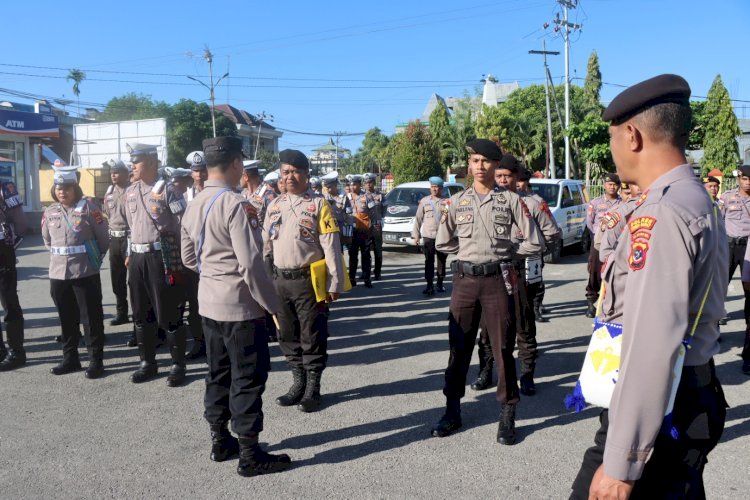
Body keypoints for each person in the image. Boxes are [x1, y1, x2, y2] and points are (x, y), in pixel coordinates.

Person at [570, 74, 728, 499]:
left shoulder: (660, 213)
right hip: (689, 392)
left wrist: (621, 463)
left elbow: (652, 343)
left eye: (612, 138)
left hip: (663, 407)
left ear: (632, 135)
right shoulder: (696, 198)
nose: (613, 150)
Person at [181, 136, 290, 477]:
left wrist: (213, 274)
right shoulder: (235, 204)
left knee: (218, 373)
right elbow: (251, 264)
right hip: (241, 309)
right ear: (236, 164)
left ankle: (219, 440)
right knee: (247, 377)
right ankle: (249, 454)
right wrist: (273, 306)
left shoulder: (194, 202)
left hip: (208, 306)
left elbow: (187, 257)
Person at [433, 139, 543, 445]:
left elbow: (535, 242)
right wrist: (467, 253)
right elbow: (443, 242)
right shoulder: (456, 202)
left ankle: (507, 415)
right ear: (469, 165)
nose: (479, 166)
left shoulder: (511, 201)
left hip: (497, 281)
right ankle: (451, 411)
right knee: (458, 349)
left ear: (496, 166)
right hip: (465, 283)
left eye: (485, 161)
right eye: (475, 161)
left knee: (503, 350)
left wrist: (507, 250)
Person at [263, 149, 345, 413]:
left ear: (307, 175)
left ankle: (313, 389)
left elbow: (331, 244)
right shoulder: (274, 205)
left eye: (296, 171)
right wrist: (264, 281)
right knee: (286, 333)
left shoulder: (319, 205)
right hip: (280, 280)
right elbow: (266, 246)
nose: (290, 177)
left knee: (312, 333)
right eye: (285, 172)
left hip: (309, 281)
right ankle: (297, 382)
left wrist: (335, 282)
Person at [471, 156, 560, 397]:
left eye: (506, 176)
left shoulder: (532, 203)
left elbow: (552, 235)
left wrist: (528, 253)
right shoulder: (488, 201)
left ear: (516, 177)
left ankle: (527, 374)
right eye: (498, 176)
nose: (501, 180)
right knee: (487, 327)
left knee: (523, 323)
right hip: (492, 272)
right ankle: (486, 371)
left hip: (520, 271)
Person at [124, 143, 188, 387]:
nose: (132, 165)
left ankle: (177, 364)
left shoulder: (168, 190)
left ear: (151, 162)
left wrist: (182, 257)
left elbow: (183, 224)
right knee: (141, 312)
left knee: (169, 311)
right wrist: (130, 252)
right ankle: (147, 363)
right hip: (138, 258)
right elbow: (132, 227)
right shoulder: (130, 192)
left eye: (137, 161)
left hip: (161, 257)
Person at [42, 165, 109, 378]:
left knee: (91, 319)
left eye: (67, 187)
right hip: (58, 274)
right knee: (66, 318)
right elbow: (47, 241)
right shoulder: (50, 211)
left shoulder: (89, 207)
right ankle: (70, 359)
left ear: (75, 188)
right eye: (59, 187)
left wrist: (92, 260)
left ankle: (95, 361)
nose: (62, 191)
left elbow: (103, 239)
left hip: (84, 272)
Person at [242, 159, 279, 342]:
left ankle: (274, 327)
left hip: (266, 250)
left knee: (269, 288)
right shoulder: (242, 194)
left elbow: (276, 223)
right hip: (249, 249)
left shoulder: (268, 194)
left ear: (246, 175)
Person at [516, 168, 558, 322]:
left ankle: (536, 308)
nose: (517, 184)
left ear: (527, 182)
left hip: (533, 249)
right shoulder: (509, 198)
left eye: (520, 180)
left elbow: (550, 229)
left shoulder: (536, 201)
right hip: (515, 249)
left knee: (535, 282)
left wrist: (544, 248)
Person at [584, 173, 622, 318]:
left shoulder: (622, 203)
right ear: (604, 185)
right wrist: (598, 236)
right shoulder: (595, 203)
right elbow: (589, 222)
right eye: (609, 184)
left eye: (615, 184)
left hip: (617, 242)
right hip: (599, 241)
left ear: (618, 186)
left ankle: (612, 303)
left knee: (615, 271)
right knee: (595, 271)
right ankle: (591, 302)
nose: (612, 187)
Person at [0, 176, 28, 371]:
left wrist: (10, 245)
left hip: (2, 249)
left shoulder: (5, 186)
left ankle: (16, 352)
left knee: (9, 301)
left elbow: (20, 222)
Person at [718, 167, 750, 329]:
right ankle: (718, 314)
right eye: (745, 179)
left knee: (749, 285)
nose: (748, 183)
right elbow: (719, 221)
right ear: (739, 179)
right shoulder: (727, 196)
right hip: (729, 245)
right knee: (722, 282)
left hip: (748, 247)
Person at [102, 159, 131, 329]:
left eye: (117, 172)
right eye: (112, 172)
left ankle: (139, 312)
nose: (113, 175)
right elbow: (107, 213)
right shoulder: (109, 192)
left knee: (134, 279)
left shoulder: (132, 191)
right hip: (114, 239)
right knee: (117, 279)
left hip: (129, 237)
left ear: (126, 174)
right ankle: (122, 313)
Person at [412, 176, 449, 296]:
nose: (434, 189)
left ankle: (440, 282)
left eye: (437, 187)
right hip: (428, 236)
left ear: (441, 188)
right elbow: (418, 219)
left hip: (443, 236)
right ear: (430, 188)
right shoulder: (424, 201)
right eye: (432, 187)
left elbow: (452, 220)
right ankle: (429, 285)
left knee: (442, 261)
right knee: (429, 261)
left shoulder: (447, 202)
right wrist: (416, 235)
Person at [347, 175, 376, 288]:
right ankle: (352, 278)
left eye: (354, 184)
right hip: (351, 231)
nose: (352, 187)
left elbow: (373, 213)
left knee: (366, 255)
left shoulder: (367, 197)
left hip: (364, 231)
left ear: (359, 184)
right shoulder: (347, 197)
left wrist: (372, 226)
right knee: (352, 256)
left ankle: (367, 278)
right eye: (351, 184)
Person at [322, 171, 353, 250]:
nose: (328, 189)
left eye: (329, 187)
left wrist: (348, 234)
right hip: (326, 230)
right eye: (326, 187)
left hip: (339, 230)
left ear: (335, 185)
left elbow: (349, 216)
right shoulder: (323, 197)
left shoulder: (343, 198)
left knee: (339, 253)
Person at [364, 173, 384, 280]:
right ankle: (366, 272)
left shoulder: (380, 196)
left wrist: (381, 220)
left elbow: (384, 210)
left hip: (376, 226)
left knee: (378, 250)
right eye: (367, 183)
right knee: (366, 251)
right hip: (365, 227)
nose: (369, 185)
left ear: (374, 183)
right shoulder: (361, 196)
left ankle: (377, 272)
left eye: (370, 182)